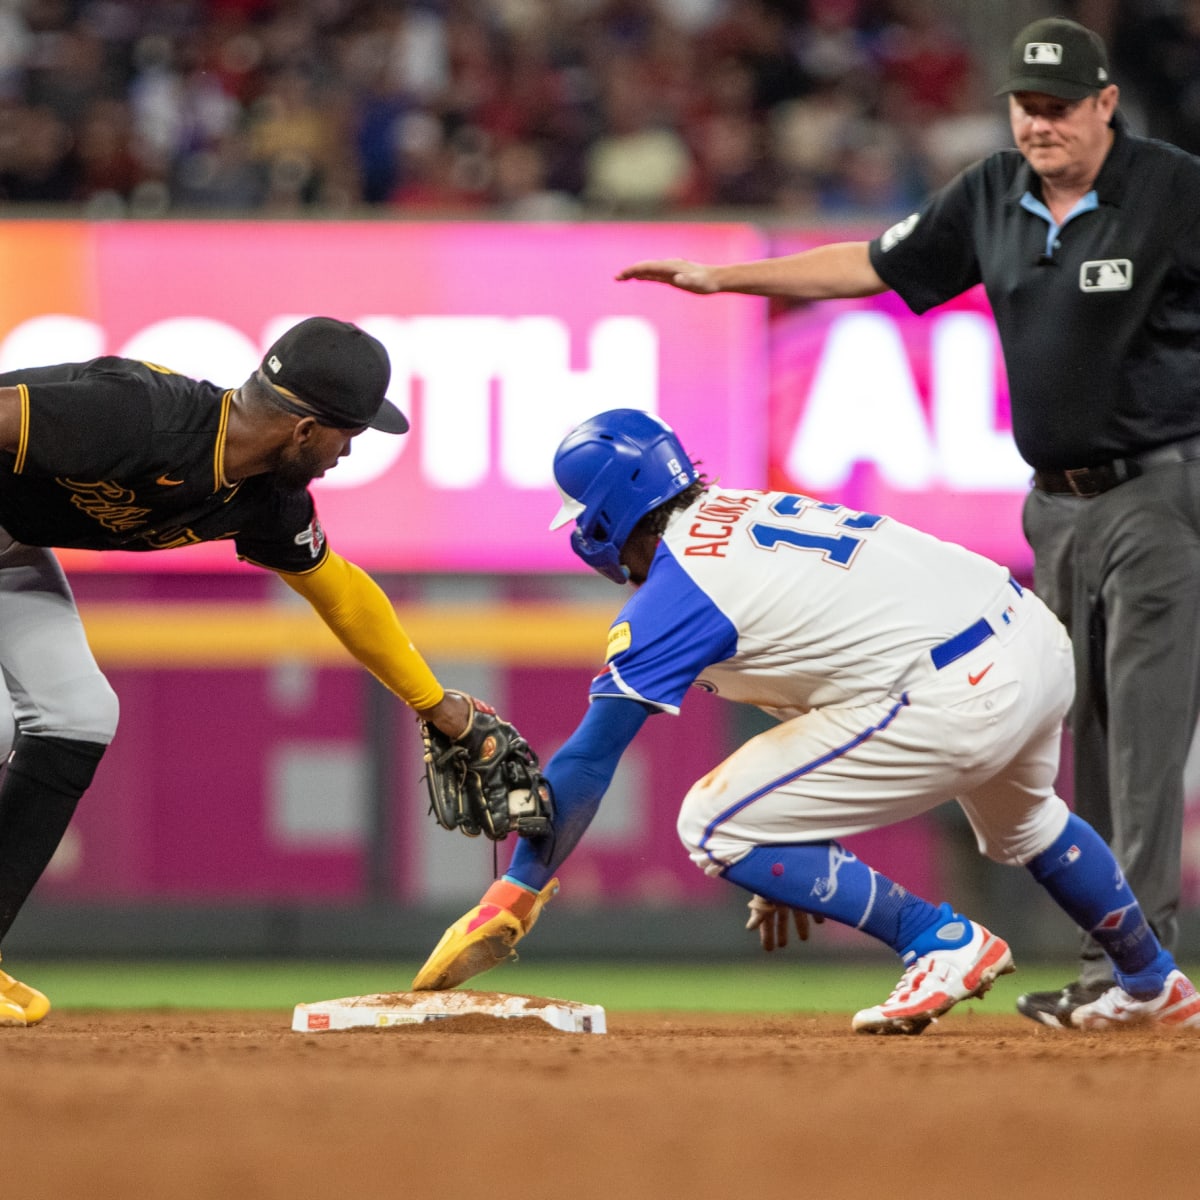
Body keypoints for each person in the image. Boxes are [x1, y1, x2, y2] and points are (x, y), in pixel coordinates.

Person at [613, 16, 1200, 1029]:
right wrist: (726, 277)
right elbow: (875, 264)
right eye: (1027, 104)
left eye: (1061, 105)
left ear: (1108, 103)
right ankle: (1137, 973)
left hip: (1160, 486)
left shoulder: (1174, 189)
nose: (1041, 122)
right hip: (1054, 501)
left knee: (1142, 726)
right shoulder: (991, 195)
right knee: (1077, 735)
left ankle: (1136, 971)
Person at [412, 408, 1200, 1034]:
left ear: (605, 516)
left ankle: (940, 940)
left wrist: (515, 891)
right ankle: (1149, 980)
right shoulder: (739, 510)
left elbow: (589, 758)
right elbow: (829, 669)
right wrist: (788, 847)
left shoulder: (677, 593)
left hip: (956, 687)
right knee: (1030, 823)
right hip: (1028, 636)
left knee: (713, 822)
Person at [0, 315, 515, 1026]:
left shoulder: (265, 499)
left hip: (9, 546)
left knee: (79, 714)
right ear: (304, 430)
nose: (350, 450)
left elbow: (337, 589)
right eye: (349, 433)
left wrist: (436, 705)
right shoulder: (136, 415)